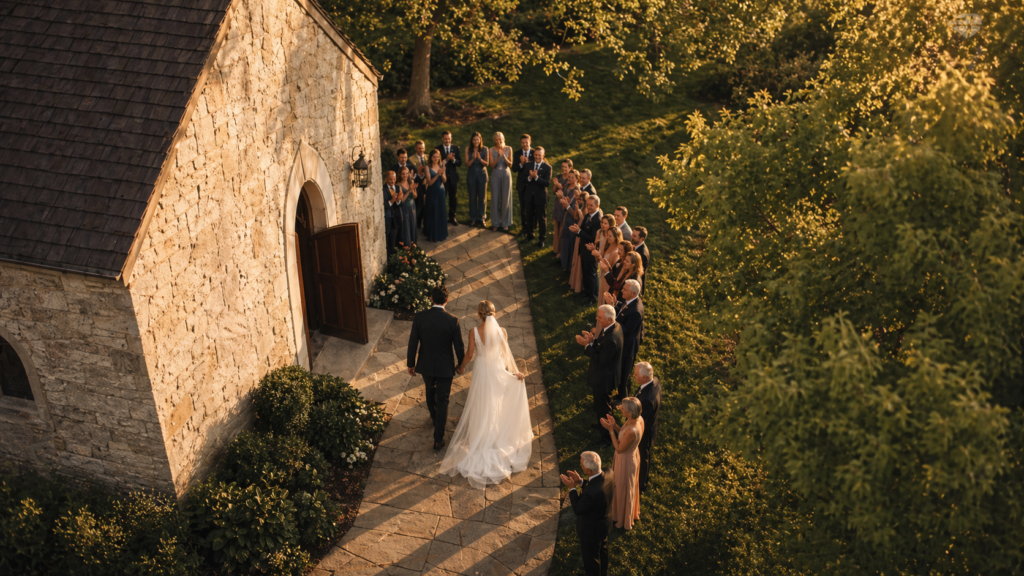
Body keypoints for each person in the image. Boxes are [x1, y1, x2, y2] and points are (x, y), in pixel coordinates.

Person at [440, 300, 532, 488]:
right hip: (496, 370)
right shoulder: (502, 331)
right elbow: (506, 355)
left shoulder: (474, 332)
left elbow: (470, 354)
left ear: (479, 314)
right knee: (495, 401)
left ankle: (481, 435)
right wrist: (514, 372)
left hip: (482, 370)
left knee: (481, 402)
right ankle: (493, 434)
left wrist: (461, 366)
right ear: (493, 313)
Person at [407, 286, 466, 450]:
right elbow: (459, 347)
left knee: (429, 390)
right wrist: (460, 365)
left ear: (431, 298)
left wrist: (411, 363)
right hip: (445, 367)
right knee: (443, 400)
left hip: (425, 365)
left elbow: (413, 342)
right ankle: (438, 439)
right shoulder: (453, 320)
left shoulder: (419, 317)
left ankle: (434, 417)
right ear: (447, 300)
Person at [576, 304, 623, 445]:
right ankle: (602, 423)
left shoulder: (612, 339)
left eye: (600, 317)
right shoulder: (613, 327)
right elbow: (602, 346)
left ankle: (607, 438)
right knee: (602, 405)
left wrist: (587, 347)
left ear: (609, 319)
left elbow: (601, 360)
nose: (597, 319)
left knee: (604, 407)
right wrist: (593, 341)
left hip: (604, 380)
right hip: (605, 377)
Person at [561, 451, 612, 576]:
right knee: (602, 551)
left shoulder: (592, 494)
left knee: (591, 561)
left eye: (582, 466)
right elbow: (595, 486)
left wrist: (572, 488)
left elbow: (578, 509)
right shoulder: (609, 473)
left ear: (589, 470)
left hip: (591, 532)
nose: (580, 467)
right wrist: (581, 482)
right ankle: (603, 572)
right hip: (604, 524)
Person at [601, 397, 643, 530]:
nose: (620, 409)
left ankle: (621, 519)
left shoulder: (632, 430)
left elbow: (619, 448)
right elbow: (623, 436)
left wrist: (610, 430)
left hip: (625, 460)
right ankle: (621, 513)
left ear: (630, 412)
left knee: (622, 487)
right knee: (623, 486)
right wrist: (615, 426)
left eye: (623, 408)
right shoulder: (637, 420)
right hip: (630, 455)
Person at [612, 280, 644, 403]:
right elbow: (624, 309)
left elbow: (625, 330)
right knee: (623, 372)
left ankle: (622, 398)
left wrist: (612, 321)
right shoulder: (632, 300)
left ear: (632, 293)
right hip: (627, 345)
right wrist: (616, 303)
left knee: (624, 375)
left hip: (627, 348)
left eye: (624, 290)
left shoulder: (635, 311)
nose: (621, 291)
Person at [632, 362, 660, 494]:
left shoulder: (647, 400)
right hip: (652, 425)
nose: (633, 376)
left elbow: (639, 420)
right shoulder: (654, 381)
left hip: (646, 433)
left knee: (643, 456)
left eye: (636, 374)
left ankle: (641, 484)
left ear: (644, 378)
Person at [571, 194, 603, 305]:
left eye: (591, 205)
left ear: (597, 205)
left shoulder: (597, 220)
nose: (588, 207)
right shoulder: (588, 215)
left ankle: (593, 297)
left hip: (591, 252)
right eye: (587, 204)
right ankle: (586, 291)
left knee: (591, 274)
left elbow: (593, 238)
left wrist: (579, 232)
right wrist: (578, 230)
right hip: (584, 250)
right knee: (585, 272)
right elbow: (583, 229)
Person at [522, 146, 551, 247]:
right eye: (536, 155)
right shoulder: (528, 165)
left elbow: (547, 183)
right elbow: (523, 179)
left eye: (540, 155)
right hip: (529, 196)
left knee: (541, 219)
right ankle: (530, 235)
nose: (537, 157)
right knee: (529, 217)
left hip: (540, 197)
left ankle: (542, 239)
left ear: (543, 155)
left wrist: (537, 177)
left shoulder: (548, 167)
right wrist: (530, 177)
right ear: (533, 155)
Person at [436, 131, 462, 226]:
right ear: (442, 139)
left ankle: (452, 217)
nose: (447, 140)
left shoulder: (455, 148)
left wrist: (453, 160)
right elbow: (437, 164)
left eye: (449, 138)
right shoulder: (437, 149)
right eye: (445, 138)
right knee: (442, 198)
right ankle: (441, 218)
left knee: (453, 198)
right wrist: (446, 159)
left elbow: (459, 163)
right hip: (443, 178)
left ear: (451, 138)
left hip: (453, 178)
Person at [422, 149, 449, 242]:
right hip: (432, 192)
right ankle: (431, 234)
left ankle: (440, 233)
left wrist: (442, 174)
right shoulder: (427, 167)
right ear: (430, 157)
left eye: (438, 156)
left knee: (440, 212)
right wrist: (437, 174)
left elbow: (444, 181)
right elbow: (429, 183)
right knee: (432, 212)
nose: (436, 158)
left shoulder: (442, 165)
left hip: (441, 192)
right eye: (434, 156)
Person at [489, 132, 513, 232]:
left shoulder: (509, 149)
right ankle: (495, 223)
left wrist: (504, 156)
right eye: (496, 139)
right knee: (495, 198)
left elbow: (510, 164)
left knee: (505, 198)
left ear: (503, 139)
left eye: (500, 139)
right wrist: (498, 156)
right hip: (495, 175)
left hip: (506, 174)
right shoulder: (491, 150)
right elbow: (492, 165)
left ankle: (505, 222)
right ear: (494, 140)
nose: (499, 141)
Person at [594, 225, 623, 308]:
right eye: (607, 235)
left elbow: (612, 270)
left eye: (610, 236)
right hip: (603, 276)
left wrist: (599, 256)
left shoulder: (615, 252)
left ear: (616, 237)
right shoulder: (609, 245)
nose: (607, 237)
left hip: (608, 280)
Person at [510, 134, 534, 234]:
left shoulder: (534, 153)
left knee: (532, 207)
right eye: (523, 143)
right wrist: (521, 164)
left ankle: (531, 228)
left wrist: (528, 164)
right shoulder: (517, 154)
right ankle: (524, 227)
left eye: (526, 142)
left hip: (532, 185)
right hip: (521, 185)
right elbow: (514, 169)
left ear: (530, 142)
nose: (524, 144)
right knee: (522, 208)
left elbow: (538, 167)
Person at [465, 132, 488, 227]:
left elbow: (487, 163)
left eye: (477, 139)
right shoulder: (468, 149)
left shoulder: (485, 149)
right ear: (472, 140)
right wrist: (473, 159)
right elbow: (467, 164)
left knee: (482, 198)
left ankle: (482, 218)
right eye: (474, 139)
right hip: (471, 175)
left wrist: (480, 159)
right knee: (472, 197)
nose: (476, 141)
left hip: (482, 175)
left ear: (480, 140)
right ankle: (473, 218)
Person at [559, 170, 581, 271]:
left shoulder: (578, 194)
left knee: (571, 245)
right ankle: (564, 264)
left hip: (573, 223)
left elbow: (575, 215)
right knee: (566, 243)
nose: (570, 179)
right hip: (568, 221)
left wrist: (567, 206)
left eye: (573, 177)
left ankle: (569, 267)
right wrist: (566, 203)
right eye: (569, 177)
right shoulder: (569, 188)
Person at [552, 159, 573, 257]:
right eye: (562, 166)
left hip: (564, 204)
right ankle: (555, 248)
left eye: (566, 167)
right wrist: (556, 186)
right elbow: (553, 191)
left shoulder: (570, 180)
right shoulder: (559, 176)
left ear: (570, 168)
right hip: (557, 203)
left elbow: (567, 194)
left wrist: (560, 187)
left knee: (562, 228)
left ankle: (560, 251)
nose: (564, 168)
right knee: (556, 226)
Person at [397, 166, 417, 247]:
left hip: (412, 207)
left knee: (413, 224)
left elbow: (415, 196)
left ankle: (414, 244)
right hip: (404, 208)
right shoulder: (398, 185)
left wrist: (413, 190)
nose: (405, 175)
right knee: (406, 226)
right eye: (403, 174)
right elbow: (402, 200)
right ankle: (407, 245)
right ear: (400, 174)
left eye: (406, 174)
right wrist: (409, 191)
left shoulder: (411, 182)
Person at [412, 141, 430, 229]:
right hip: (417, 186)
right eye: (419, 148)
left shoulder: (428, 157)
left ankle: (425, 224)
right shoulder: (411, 160)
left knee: (426, 206)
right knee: (418, 206)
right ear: (415, 148)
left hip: (427, 185)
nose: (421, 150)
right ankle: (417, 225)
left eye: (422, 148)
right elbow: (411, 176)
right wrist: (419, 174)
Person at [383, 171, 400, 255]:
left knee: (394, 237)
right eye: (390, 179)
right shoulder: (383, 189)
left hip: (396, 218)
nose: (392, 181)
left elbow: (400, 205)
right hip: (387, 218)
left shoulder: (397, 187)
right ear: (386, 179)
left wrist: (398, 200)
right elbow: (384, 204)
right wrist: (392, 200)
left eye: (394, 179)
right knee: (387, 238)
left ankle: (393, 255)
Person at [632, 226, 650, 294]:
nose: (632, 237)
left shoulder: (642, 254)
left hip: (634, 288)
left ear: (641, 238)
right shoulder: (635, 246)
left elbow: (637, 273)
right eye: (632, 234)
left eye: (634, 236)